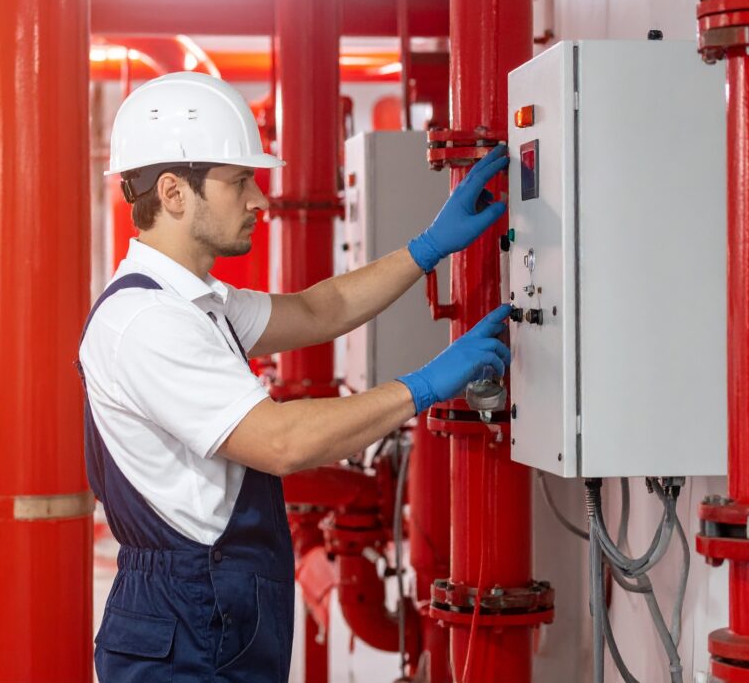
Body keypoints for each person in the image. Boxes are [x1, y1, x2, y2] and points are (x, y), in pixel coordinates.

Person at [79, 71, 511, 682]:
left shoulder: (197, 302)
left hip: (212, 609)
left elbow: (319, 310)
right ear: (173, 192)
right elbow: (280, 441)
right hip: (186, 620)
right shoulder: (148, 321)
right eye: (239, 182)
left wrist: (427, 248)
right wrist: (424, 386)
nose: (259, 199)